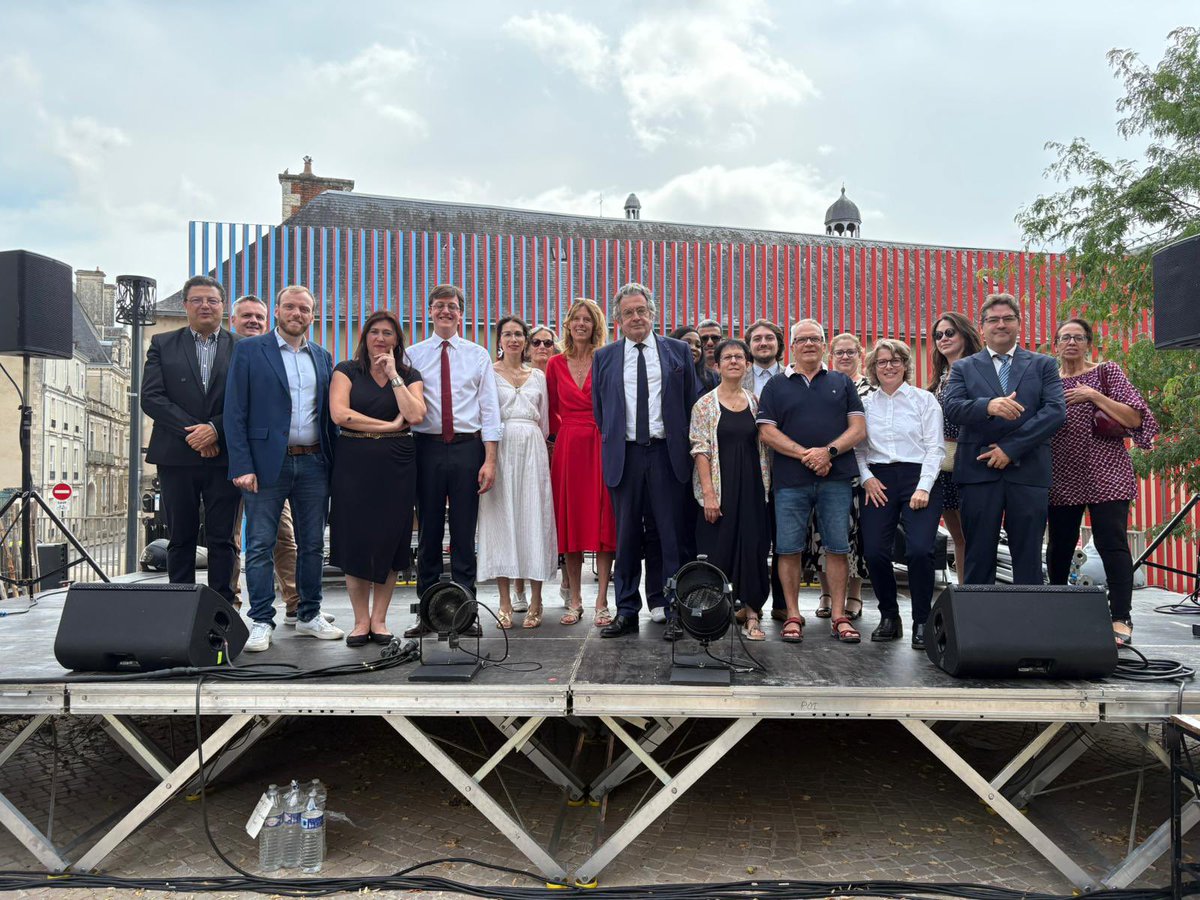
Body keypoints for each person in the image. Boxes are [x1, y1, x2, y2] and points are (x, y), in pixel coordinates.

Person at [225, 285, 344, 652]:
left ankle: (309, 615)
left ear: (313, 316)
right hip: (264, 465)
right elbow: (235, 411)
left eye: (304, 309)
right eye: (290, 307)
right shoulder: (249, 351)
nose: (297, 313)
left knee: (311, 545)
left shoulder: (323, 358)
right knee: (259, 545)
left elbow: (329, 417)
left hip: (313, 463)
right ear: (277, 311)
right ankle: (261, 620)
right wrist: (242, 464)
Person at [593, 283, 702, 639]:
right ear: (618, 320)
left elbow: (690, 405)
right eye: (628, 312)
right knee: (625, 538)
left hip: (666, 454)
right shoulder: (605, 357)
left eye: (641, 310)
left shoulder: (678, 352)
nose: (636, 317)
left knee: (671, 537)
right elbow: (601, 411)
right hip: (624, 456)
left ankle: (674, 610)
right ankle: (626, 610)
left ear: (653, 314)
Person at [1047, 318, 1158, 647]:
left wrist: (1094, 395)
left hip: (1106, 469)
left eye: (1078, 337)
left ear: (1088, 343)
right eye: (1065, 337)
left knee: (1112, 543)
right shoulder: (1048, 379)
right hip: (1062, 471)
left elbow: (1136, 418)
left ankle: (1120, 617)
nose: (1071, 343)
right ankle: (1057, 610)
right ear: (1055, 345)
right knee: (1060, 547)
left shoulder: (1107, 372)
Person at [942, 293, 1066, 585]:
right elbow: (952, 407)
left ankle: (1028, 627)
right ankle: (978, 627)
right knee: (978, 555)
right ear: (982, 327)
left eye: (1007, 318)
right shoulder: (964, 367)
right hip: (979, 471)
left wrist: (1010, 448)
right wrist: (988, 406)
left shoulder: (1043, 364)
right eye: (993, 319)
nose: (1001, 324)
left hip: (1028, 471)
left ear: (1018, 324)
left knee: (1029, 557)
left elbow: (1055, 411)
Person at [757, 319, 866, 643]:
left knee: (837, 546)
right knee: (788, 549)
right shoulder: (776, 385)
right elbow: (766, 431)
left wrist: (828, 452)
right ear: (792, 346)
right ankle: (792, 614)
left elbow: (858, 429)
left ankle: (838, 616)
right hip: (790, 481)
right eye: (802, 339)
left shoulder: (841, 382)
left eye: (815, 339)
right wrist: (807, 454)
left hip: (836, 479)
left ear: (823, 344)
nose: (809, 344)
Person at [405, 285, 502, 637]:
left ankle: (466, 614)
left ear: (462, 313)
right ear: (429, 311)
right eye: (439, 306)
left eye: (452, 306)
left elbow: (490, 410)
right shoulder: (412, 356)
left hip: (466, 448)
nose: (445, 311)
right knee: (428, 534)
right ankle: (427, 614)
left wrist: (489, 459)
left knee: (463, 534)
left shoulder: (477, 355)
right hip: (426, 448)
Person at [141, 275, 241, 607]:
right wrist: (198, 434)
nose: (205, 306)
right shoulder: (162, 343)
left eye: (212, 300)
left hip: (225, 456)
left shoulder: (243, 347)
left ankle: (221, 609)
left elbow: (249, 400)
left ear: (222, 306)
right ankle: (179, 608)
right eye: (197, 300)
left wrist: (216, 429)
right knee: (180, 537)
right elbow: (152, 398)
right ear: (185, 305)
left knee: (222, 539)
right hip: (176, 457)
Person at [328, 310, 426, 646]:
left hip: (397, 464)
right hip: (354, 461)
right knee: (355, 539)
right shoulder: (346, 370)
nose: (380, 339)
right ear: (364, 337)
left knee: (391, 539)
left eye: (388, 333)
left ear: (397, 340)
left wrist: (393, 376)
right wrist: (387, 426)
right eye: (374, 332)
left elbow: (415, 414)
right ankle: (360, 621)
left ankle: (380, 620)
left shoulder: (409, 374)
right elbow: (340, 414)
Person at [854, 339, 945, 650]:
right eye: (882, 362)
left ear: (906, 365)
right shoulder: (865, 405)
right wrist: (866, 478)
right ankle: (890, 617)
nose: (889, 366)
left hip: (919, 477)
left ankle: (922, 620)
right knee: (875, 552)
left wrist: (923, 486)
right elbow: (859, 449)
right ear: (873, 369)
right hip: (878, 480)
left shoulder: (924, 401)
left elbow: (936, 448)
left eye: (895, 361)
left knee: (920, 550)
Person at [478, 316, 558, 628]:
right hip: (500, 448)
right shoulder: (488, 373)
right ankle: (505, 602)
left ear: (525, 341)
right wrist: (489, 458)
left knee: (534, 519)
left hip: (532, 451)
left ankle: (537, 600)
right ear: (499, 340)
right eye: (507, 334)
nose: (513, 339)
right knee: (501, 521)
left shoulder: (538, 376)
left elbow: (545, 424)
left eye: (519, 334)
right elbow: (486, 415)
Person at [228, 295, 304, 621]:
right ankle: (230, 605)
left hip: (270, 465)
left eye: (259, 317)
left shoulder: (278, 354)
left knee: (283, 537)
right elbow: (233, 410)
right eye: (246, 316)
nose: (253, 322)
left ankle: (297, 601)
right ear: (232, 320)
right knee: (229, 538)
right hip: (227, 458)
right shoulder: (232, 352)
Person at [690, 339, 772, 640]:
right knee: (718, 550)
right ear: (717, 365)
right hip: (720, 490)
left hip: (751, 487)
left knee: (753, 548)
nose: (734, 361)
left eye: (740, 357)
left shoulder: (755, 402)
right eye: (728, 357)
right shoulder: (705, 405)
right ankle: (714, 616)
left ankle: (752, 615)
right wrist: (709, 495)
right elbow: (700, 450)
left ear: (748, 364)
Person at [546, 300, 616, 626]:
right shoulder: (555, 364)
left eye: (588, 319)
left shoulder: (607, 360)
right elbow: (549, 413)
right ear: (569, 323)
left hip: (600, 445)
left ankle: (602, 601)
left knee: (603, 525)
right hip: (569, 448)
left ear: (596, 325)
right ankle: (574, 601)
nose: (581, 324)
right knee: (570, 525)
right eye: (576, 318)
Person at [806, 332, 875, 621]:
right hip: (824, 470)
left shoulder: (872, 390)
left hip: (861, 473)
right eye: (839, 352)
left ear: (860, 353)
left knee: (855, 535)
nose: (845, 357)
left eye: (850, 351)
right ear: (830, 354)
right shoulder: (824, 385)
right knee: (821, 532)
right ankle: (825, 593)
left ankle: (855, 594)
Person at [927, 311, 983, 582]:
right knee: (958, 537)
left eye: (950, 332)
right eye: (938, 335)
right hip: (944, 464)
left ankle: (977, 593)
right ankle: (964, 593)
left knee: (975, 534)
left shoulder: (979, 371)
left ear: (965, 334)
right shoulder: (939, 378)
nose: (943, 338)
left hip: (971, 460)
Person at [741, 318, 787, 624]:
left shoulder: (793, 377)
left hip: (785, 467)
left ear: (779, 345)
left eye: (769, 338)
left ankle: (783, 604)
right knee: (754, 539)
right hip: (748, 470)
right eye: (756, 339)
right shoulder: (736, 377)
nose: (763, 343)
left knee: (784, 539)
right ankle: (750, 601)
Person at [517, 323, 561, 612]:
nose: (542, 347)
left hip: (560, 448)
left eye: (548, 343)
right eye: (537, 342)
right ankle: (519, 588)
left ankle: (568, 586)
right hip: (530, 450)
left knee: (559, 519)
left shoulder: (559, 372)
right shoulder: (520, 375)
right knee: (523, 517)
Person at [697, 319, 723, 390]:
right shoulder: (690, 372)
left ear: (722, 340)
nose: (710, 343)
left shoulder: (735, 367)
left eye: (715, 338)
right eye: (704, 339)